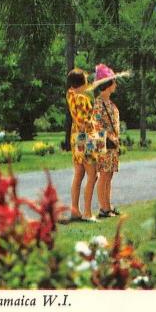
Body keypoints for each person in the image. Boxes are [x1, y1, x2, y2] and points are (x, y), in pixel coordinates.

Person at [65, 68, 99, 222]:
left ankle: (75, 211)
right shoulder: (83, 99)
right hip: (85, 138)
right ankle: (87, 212)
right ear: (82, 82)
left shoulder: (70, 94)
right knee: (93, 175)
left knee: (78, 174)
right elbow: (83, 122)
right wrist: (95, 123)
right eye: (86, 79)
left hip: (75, 137)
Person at [93, 64, 121, 218]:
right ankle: (103, 208)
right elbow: (96, 124)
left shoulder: (110, 104)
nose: (115, 85)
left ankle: (108, 205)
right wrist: (110, 137)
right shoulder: (98, 103)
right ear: (108, 84)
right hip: (104, 145)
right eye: (114, 82)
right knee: (103, 175)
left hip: (112, 146)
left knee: (109, 175)